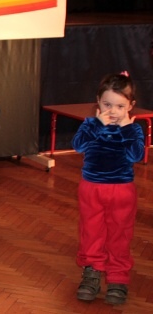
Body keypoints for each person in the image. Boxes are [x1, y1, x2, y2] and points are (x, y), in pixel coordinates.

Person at [72, 72, 144, 305]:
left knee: (119, 234)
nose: (113, 111)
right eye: (107, 105)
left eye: (120, 106)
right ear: (98, 102)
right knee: (91, 231)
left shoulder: (133, 129)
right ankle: (92, 271)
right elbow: (78, 145)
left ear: (130, 106)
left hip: (122, 190)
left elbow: (136, 155)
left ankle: (118, 277)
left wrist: (126, 129)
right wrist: (96, 125)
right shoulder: (91, 124)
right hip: (91, 188)